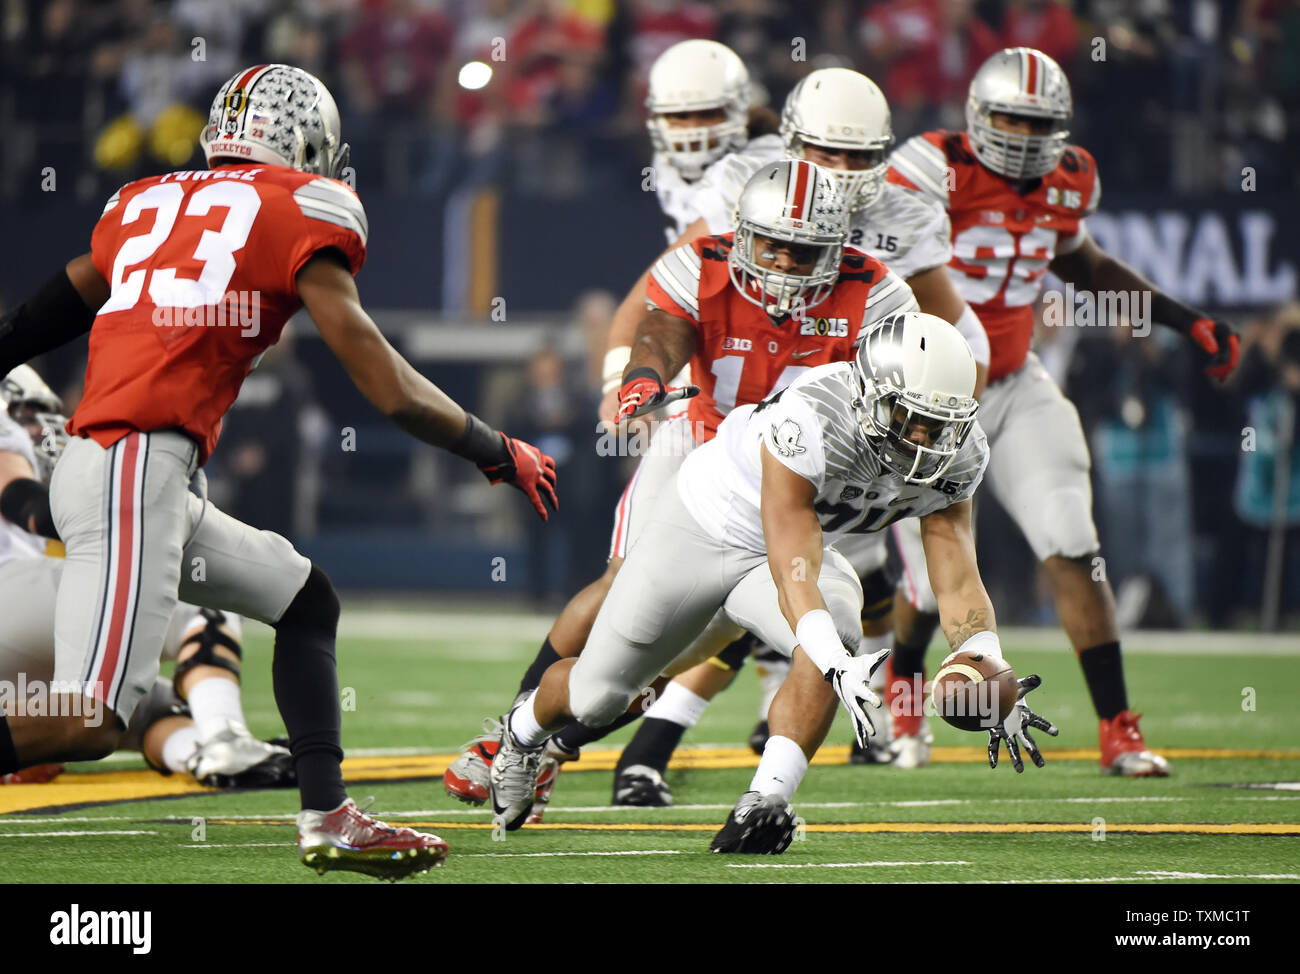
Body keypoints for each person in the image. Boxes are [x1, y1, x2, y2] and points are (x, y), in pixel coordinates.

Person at [0, 64, 557, 879]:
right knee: (94, 723)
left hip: (134, 471)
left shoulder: (145, 202)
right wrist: (495, 447)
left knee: (304, 599)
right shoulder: (302, 207)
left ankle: (328, 818)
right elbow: (389, 387)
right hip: (133, 465)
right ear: (307, 143)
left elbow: (57, 304)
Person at [489, 313, 1058, 852]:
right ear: (870, 398)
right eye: (910, 417)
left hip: (792, 553)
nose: (925, 439)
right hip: (707, 529)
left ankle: (764, 801)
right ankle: (520, 734)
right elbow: (793, 566)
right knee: (599, 697)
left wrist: (986, 660)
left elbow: (957, 572)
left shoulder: (958, 452)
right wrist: (834, 664)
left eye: (940, 424)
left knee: (839, 623)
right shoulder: (813, 420)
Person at [610, 67, 996, 801]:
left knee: (826, 594)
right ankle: (589, 733)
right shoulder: (741, 184)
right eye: (825, 153)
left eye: (859, 157)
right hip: (723, 434)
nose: (843, 173)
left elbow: (956, 336)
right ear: (788, 146)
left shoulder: (898, 235)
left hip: (840, 437)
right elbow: (670, 287)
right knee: (669, 600)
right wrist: (621, 371)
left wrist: (932, 416)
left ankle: (718, 747)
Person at [884, 47, 1239, 774]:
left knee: (1074, 540)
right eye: (1008, 117)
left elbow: (1084, 263)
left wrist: (1185, 319)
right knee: (926, 583)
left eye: (1035, 122)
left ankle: (1118, 727)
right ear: (979, 116)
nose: (1019, 134)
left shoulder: (1069, 176)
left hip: (1016, 382)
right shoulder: (930, 166)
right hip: (932, 395)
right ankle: (905, 685)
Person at [0, 366, 293, 788]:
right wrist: (128, 512)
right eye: (30, 413)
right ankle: (227, 736)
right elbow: (26, 505)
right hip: (9, 602)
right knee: (201, 600)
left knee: (135, 701)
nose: (44, 426)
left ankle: (206, 758)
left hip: (15, 645)